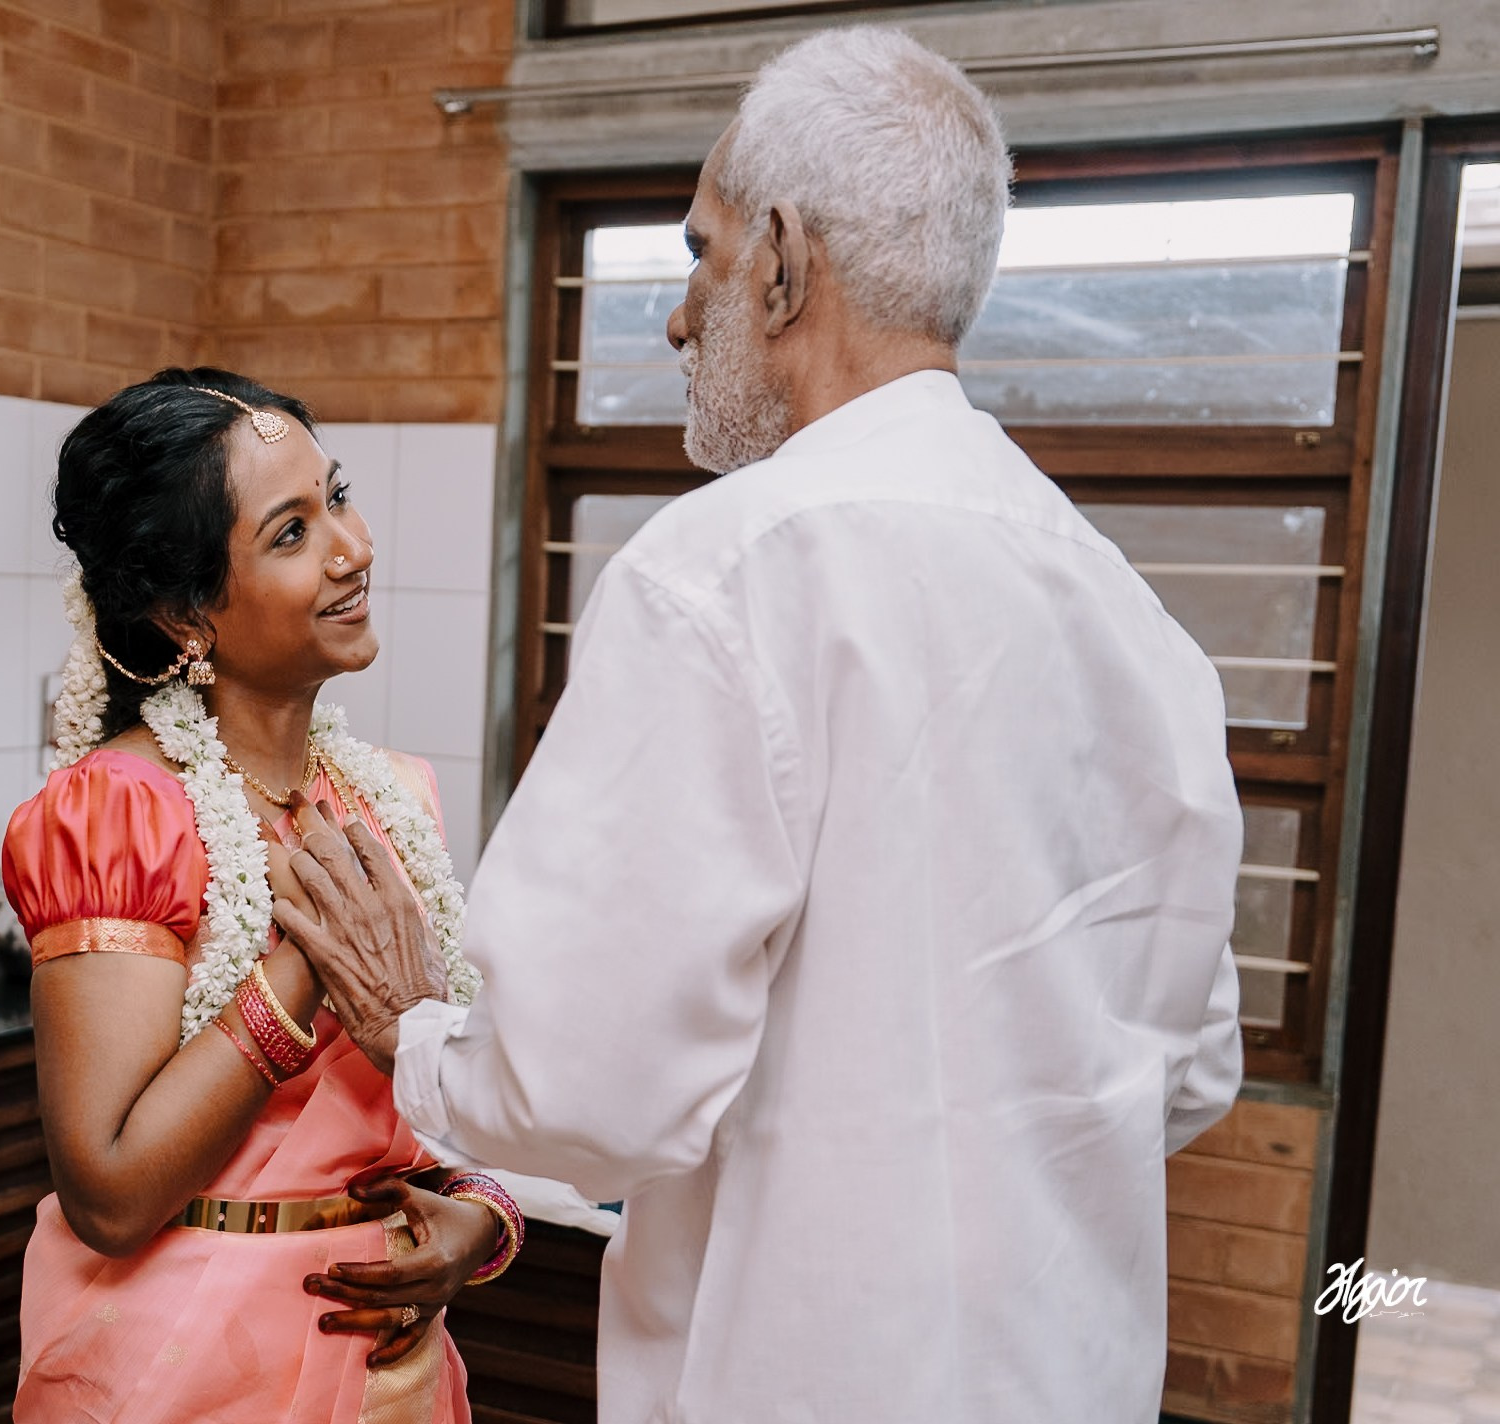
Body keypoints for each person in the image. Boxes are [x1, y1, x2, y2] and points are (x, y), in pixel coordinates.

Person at [273, 27, 1245, 1424]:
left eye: (699, 254)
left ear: (782, 260)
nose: (679, 317)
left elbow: (583, 1087)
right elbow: (1189, 1066)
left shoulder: (722, 573)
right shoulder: (1132, 618)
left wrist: (413, 1024)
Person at [1, 369, 524, 1423]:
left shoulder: (393, 798)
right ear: (185, 611)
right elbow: (110, 1190)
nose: (353, 547)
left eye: (337, 495)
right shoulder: (117, 816)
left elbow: (439, 1099)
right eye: (291, 532)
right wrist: (308, 959)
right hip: (185, 1368)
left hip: (391, 1367)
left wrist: (477, 1214)